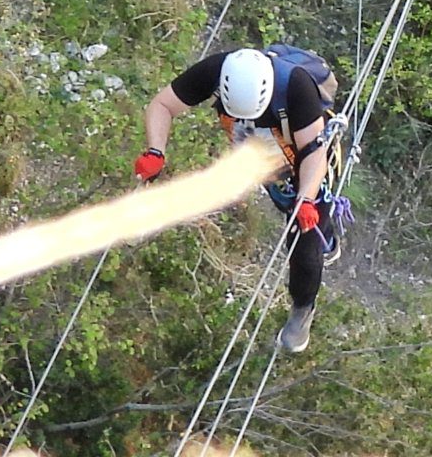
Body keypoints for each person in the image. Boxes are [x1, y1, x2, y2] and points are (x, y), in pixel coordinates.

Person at [138, 45, 342, 353]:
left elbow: (313, 154)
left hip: (300, 160)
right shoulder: (217, 71)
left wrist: (307, 201)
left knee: (304, 239)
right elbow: (163, 105)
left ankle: (303, 309)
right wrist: (155, 151)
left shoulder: (296, 87)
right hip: (261, 157)